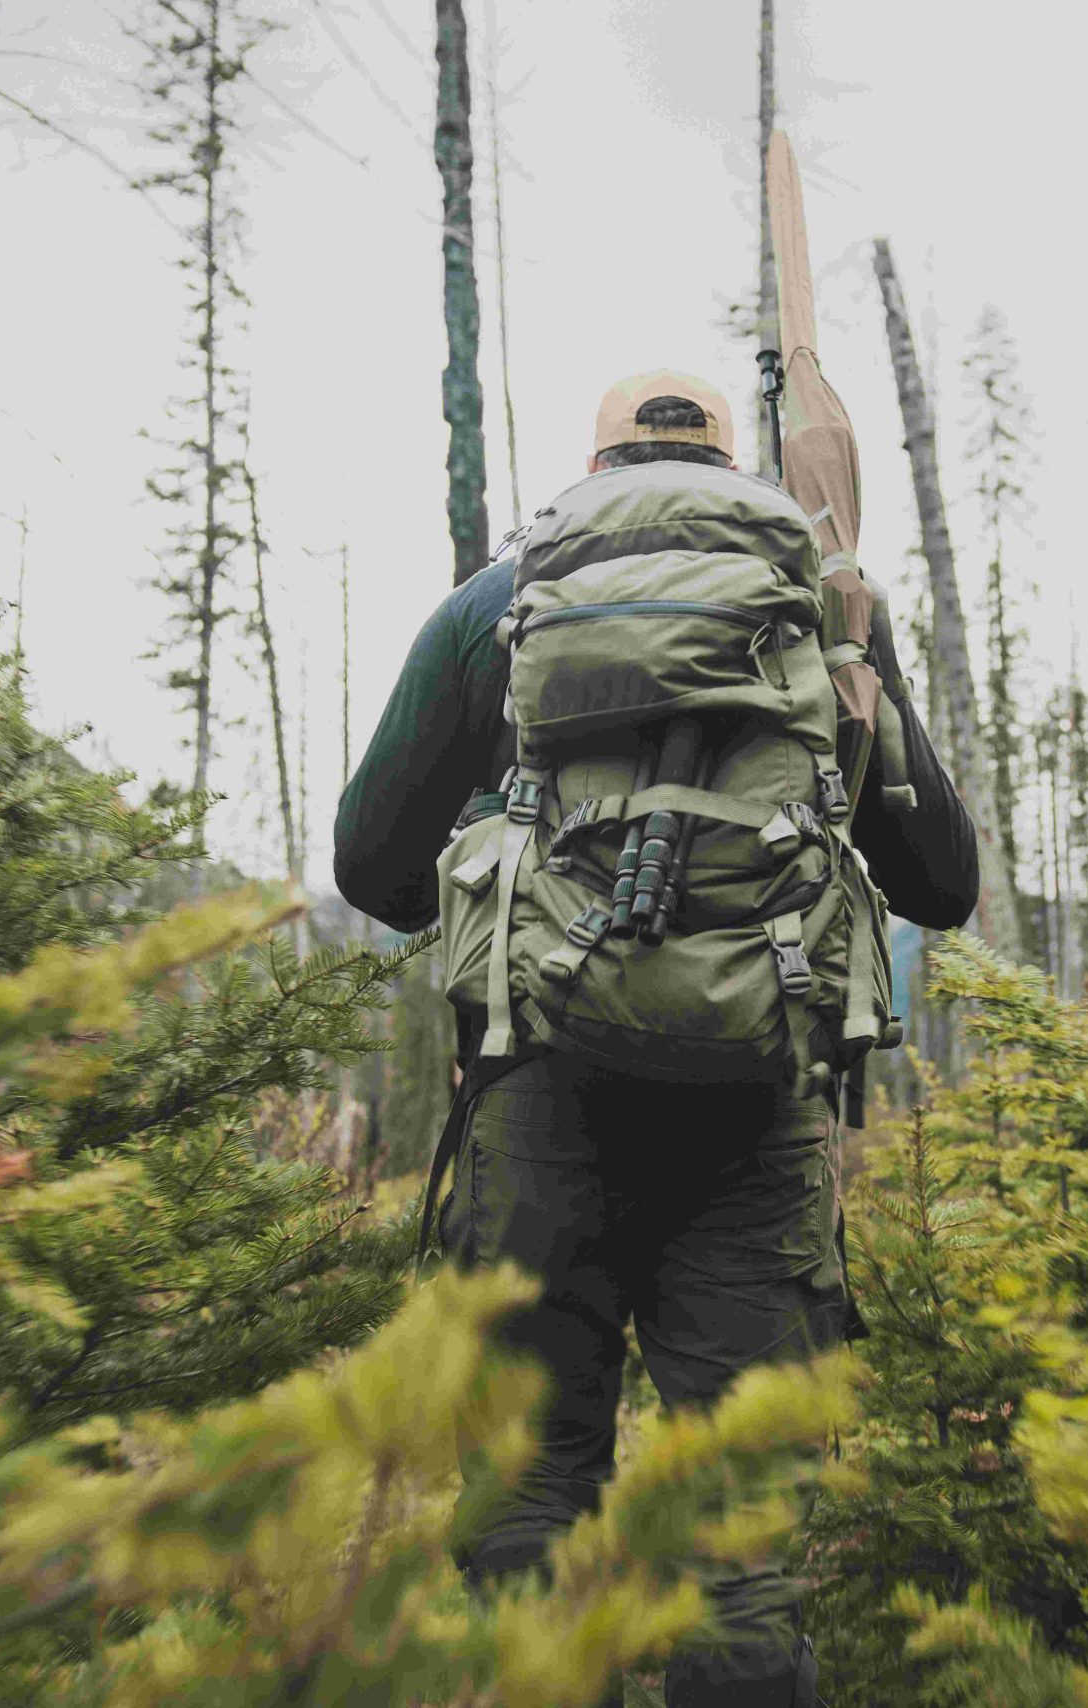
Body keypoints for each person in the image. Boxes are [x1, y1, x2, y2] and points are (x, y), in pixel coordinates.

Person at [334, 369, 979, 1707]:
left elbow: (367, 863)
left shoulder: (495, 607)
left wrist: (482, 901)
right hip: (755, 1120)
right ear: (734, 468)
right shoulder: (822, 606)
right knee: (736, 1533)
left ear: (598, 461)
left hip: (537, 1098)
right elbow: (941, 884)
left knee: (526, 1499)